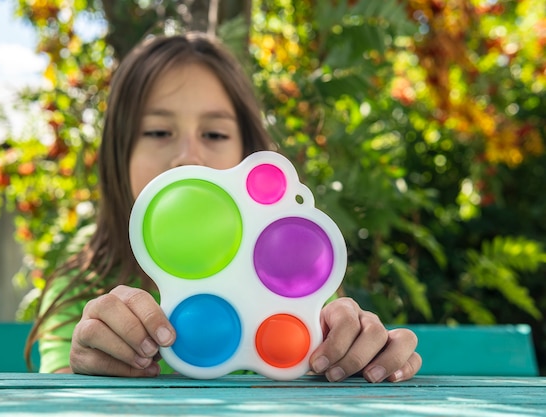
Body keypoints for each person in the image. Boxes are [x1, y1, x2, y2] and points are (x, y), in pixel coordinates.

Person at [26, 31, 422, 383]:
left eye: (214, 133)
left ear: (248, 153)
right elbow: (62, 392)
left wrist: (356, 351)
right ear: (119, 154)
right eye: (158, 131)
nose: (188, 158)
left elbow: (329, 364)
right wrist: (82, 366)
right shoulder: (82, 285)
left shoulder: (289, 269)